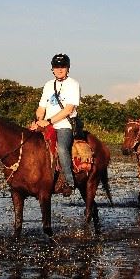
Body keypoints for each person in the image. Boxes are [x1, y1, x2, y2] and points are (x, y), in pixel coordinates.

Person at [29, 53, 80, 196]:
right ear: (52, 69)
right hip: (47, 124)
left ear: (68, 68)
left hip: (64, 125)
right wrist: (37, 119)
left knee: (62, 149)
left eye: (62, 66)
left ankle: (69, 182)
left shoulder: (73, 85)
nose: (59, 69)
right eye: (56, 67)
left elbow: (69, 110)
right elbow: (41, 108)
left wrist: (49, 121)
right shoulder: (48, 85)